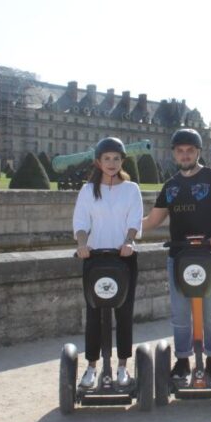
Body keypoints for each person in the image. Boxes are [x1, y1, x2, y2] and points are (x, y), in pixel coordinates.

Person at [143, 128, 211, 381]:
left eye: (190, 150)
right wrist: (120, 225)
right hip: (179, 257)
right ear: (174, 154)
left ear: (198, 152)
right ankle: (183, 360)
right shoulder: (171, 186)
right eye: (180, 151)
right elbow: (152, 221)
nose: (185, 155)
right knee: (179, 312)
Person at [72, 137, 143, 389]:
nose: (111, 163)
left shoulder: (131, 189)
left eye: (116, 158)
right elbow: (81, 223)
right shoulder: (87, 191)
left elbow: (135, 220)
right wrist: (82, 245)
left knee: (124, 314)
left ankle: (122, 367)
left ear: (122, 160)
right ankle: (91, 367)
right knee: (94, 313)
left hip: (123, 258)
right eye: (107, 159)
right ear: (98, 162)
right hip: (95, 258)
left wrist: (129, 242)